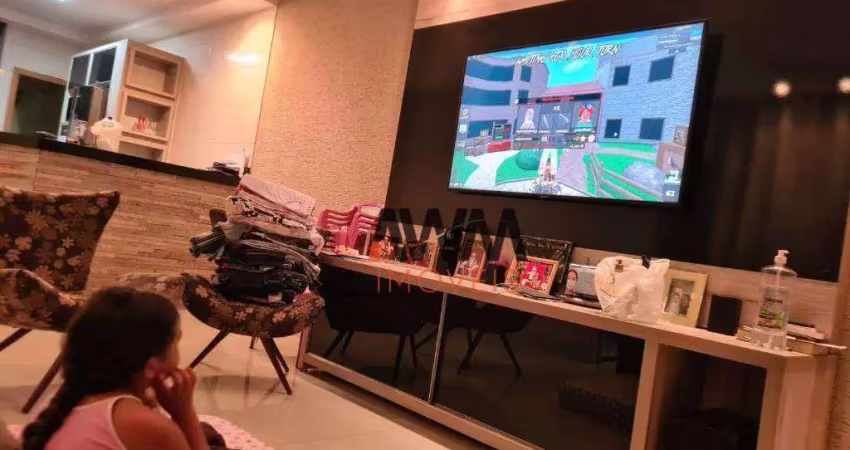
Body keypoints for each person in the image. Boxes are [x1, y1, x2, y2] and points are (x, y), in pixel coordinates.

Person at [22, 287, 211, 450]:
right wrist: (184, 415)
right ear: (151, 366)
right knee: (208, 435)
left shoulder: (58, 404)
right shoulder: (146, 425)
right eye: (177, 340)